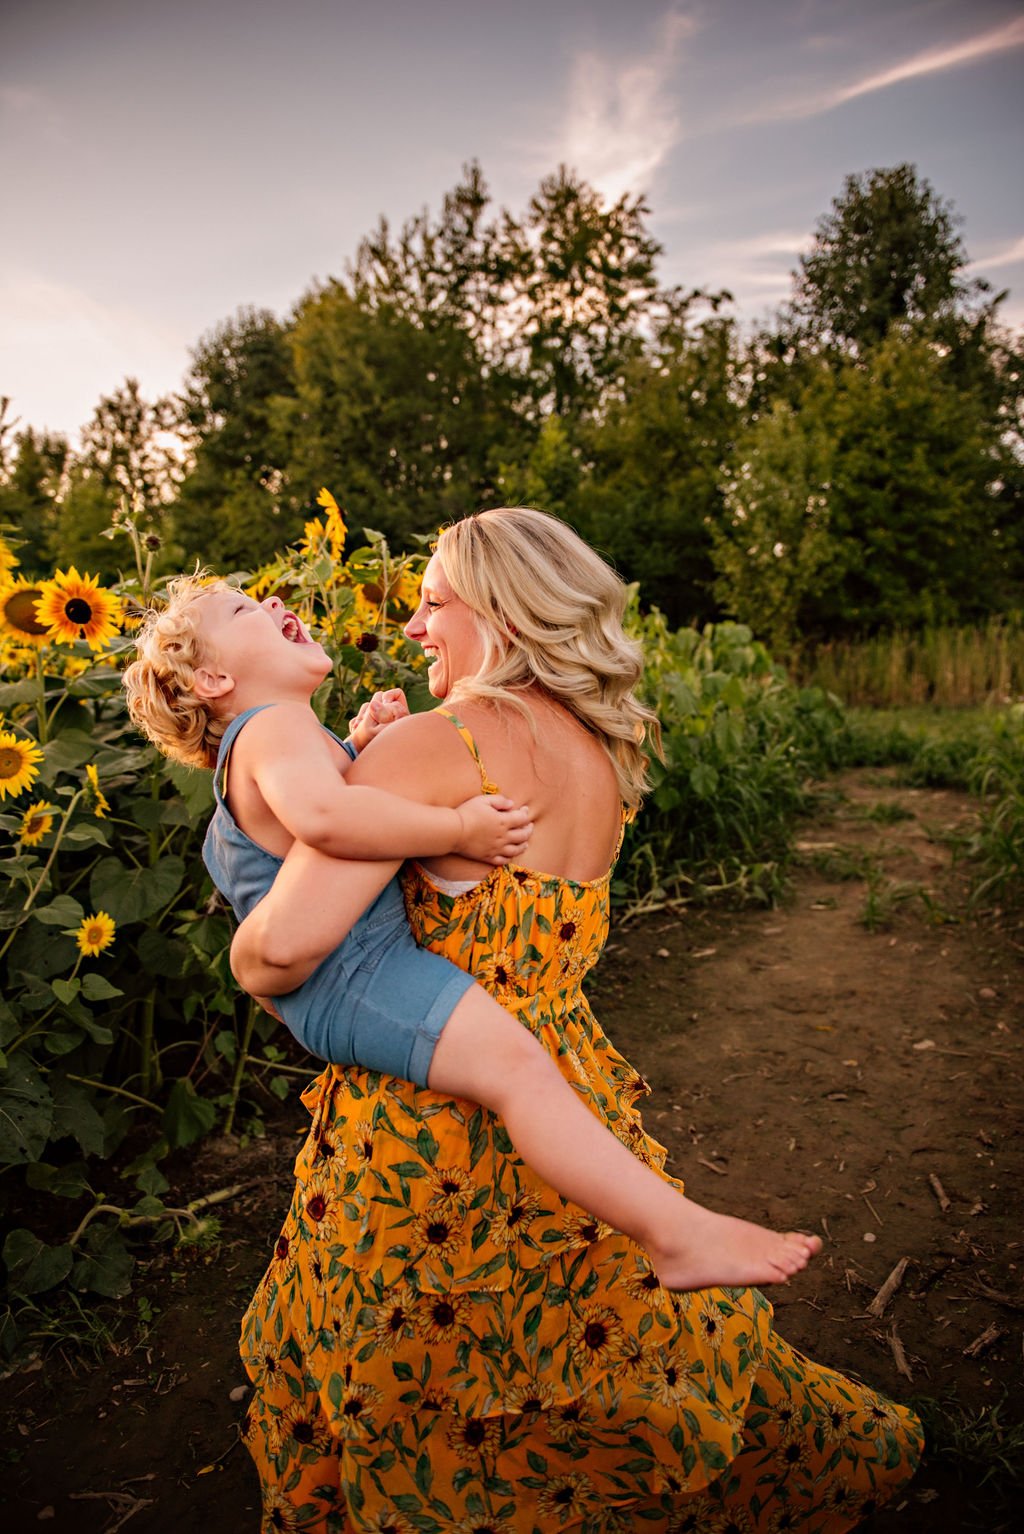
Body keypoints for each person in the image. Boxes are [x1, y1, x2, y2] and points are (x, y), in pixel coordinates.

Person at [228, 507, 922, 1533]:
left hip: (430, 1125)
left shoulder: (440, 745)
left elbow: (286, 947)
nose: (415, 629)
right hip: (571, 1088)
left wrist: (245, 954)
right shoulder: (602, 750)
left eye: (431, 605)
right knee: (603, 1341)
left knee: (429, 1380)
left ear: (498, 612)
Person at [122, 575, 820, 1295]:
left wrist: (358, 745)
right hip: (358, 970)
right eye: (244, 609)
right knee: (519, 1073)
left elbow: (313, 815)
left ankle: (676, 1231)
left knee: (517, 1077)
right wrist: (458, 826)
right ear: (214, 677)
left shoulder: (282, 739)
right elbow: (329, 820)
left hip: (345, 971)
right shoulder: (273, 729)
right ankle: (676, 1237)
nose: (272, 603)